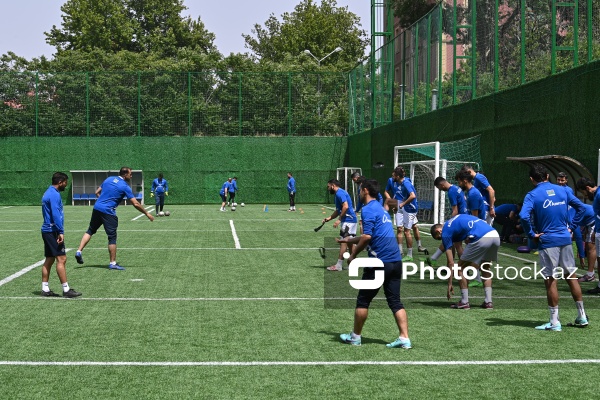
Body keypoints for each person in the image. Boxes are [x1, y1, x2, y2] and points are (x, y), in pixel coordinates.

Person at [337, 179, 411, 349]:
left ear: (364, 191)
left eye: (359, 190)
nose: (358, 193)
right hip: (395, 261)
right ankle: (404, 338)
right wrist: (349, 239)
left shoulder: (368, 209)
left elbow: (367, 237)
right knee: (395, 301)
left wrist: (353, 254)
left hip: (380, 262)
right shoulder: (379, 207)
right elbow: (370, 235)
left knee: (363, 300)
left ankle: (355, 337)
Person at [520, 164, 588, 330]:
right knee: (571, 276)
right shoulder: (563, 190)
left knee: (550, 280)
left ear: (531, 179)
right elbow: (581, 208)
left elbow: (523, 216)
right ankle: (582, 316)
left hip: (548, 241)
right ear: (548, 176)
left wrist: (531, 234)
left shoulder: (532, 195)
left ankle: (554, 322)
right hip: (565, 239)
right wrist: (571, 227)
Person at [74, 167, 154, 270]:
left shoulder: (109, 179)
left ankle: (79, 251)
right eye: (130, 174)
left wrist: (103, 201)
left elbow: (97, 192)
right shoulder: (125, 186)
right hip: (108, 212)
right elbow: (135, 203)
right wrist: (147, 213)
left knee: (90, 230)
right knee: (112, 237)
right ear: (125, 175)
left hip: (97, 208)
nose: (131, 176)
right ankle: (112, 263)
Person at [429, 214, 498, 309]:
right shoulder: (455, 220)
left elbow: (450, 262)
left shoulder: (445, 232)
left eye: (439, 238)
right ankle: (488, 302)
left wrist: (450, 283)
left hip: (481, 237)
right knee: (485, 268)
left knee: (459, 268)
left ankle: (464, 301)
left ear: (438, 231)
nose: (442, 240)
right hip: (494, 234)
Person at [41, 172, 82, 298]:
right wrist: (60, 231)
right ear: (60, 182)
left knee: (50, 258)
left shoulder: (49, 192)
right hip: (52, 231)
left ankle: (45, 288)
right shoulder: (54, 195)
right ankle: (66, 289)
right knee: (61, 259)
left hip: (47, 230)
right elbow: (55, 215)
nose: (66, 184)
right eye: (65, 182)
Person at [322, 179, 358, 271]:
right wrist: (329, 218)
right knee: (349, 243)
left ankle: (338, 265)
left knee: (343, 242)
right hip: (351, 220)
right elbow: (339, 210)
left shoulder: (339, 193)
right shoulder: (339, 193)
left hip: (348, 220)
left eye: (328, 186)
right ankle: (353, 265)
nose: (328, 188)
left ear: (333, 185)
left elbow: (345, 206)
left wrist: (339, 219)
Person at [394, 166, 425, 261]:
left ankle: (410, 255)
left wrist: (403, 204)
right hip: (405, 207)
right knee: (406, 229)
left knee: (407, 231)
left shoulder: (406, 183)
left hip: (410, 209)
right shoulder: (401, 183)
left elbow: (413, 196)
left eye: (394, 175)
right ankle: (403, 251)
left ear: (398, 176)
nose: (392, 177)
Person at [576, 177, 600, 294]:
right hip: (597, 228)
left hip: (597, 228)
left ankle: (591, 275)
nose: (584, 196)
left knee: (592, 248)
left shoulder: (599, 195)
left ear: (587, 188)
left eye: (583, 193)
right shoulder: (597, 196)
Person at [557, 172, 586, 267]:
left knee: (578, 236)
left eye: (562, 180)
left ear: (566, 180)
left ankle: (582, 257)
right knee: (561, 237)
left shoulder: (569, 190)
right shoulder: (554, 189)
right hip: (561, 216)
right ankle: (560, 260)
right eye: (559, 180)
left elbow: (572, 203)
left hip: (570, 214)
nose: (560, 182)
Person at [569, 204, 597, 284]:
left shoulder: (569, 216)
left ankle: (590, 275)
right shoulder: (568, 211)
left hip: (595, 220)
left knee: (590, 246)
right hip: (590, 222)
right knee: (589, 246)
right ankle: (590, 273)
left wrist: (581, 256)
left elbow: (578, 236)